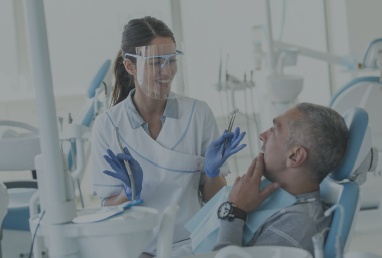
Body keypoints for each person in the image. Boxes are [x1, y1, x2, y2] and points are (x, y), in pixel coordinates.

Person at [90, 16, 246, 257]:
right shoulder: (107, 126)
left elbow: (213, 197)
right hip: (137, 248)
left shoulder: (198, 114)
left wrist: (213, 173)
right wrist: (128, 194)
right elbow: (108, 211)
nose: (167, 71)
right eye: (155, 62)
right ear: (130, 66)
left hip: (192, 245)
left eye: (171, 60)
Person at [212, 102, 349, 255]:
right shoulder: (276, 198)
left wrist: (234, 211)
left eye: (274, 130)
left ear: (295, 156)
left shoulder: (298, 225)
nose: (262, 135)